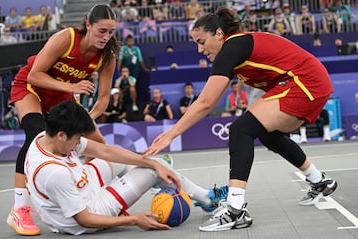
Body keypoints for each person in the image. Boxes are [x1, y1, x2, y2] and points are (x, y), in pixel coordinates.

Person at [143, 7, 338, 232]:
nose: (199, 49)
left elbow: (205, 103)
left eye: (201, 41)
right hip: (310, 81)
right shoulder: (233, 52)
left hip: (305, 81)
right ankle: (319, 180)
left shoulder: (232, 46)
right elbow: (211, 100)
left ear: (218, 34)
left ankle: (236, 211)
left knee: (240, 130)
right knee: (269, 135)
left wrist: (170, 134)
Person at [22, 101, 228, 235]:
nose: (79, 144)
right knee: (155, 170)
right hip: (91, 209)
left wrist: (151, 161)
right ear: (61, 135)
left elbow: (105, 152)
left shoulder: (45, 137)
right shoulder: (53, 173)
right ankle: (207, 199)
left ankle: (150, 179)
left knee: (148, 163)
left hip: (80, 184)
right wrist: (133, 220)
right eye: (77, 140)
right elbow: (83, 219)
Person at [7, 4, 120, 236]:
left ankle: (90, 192)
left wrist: (86, 119)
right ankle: (19, 209)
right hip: (31, 87)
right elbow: (34, 74)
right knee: (36, 134)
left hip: (62, 94)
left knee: (96, 139)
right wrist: (71, 87)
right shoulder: (66, 38)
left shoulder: (108, 54)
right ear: (88, 25)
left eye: (111, 32)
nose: (106, 37)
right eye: (101, 31)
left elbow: (104, 98)